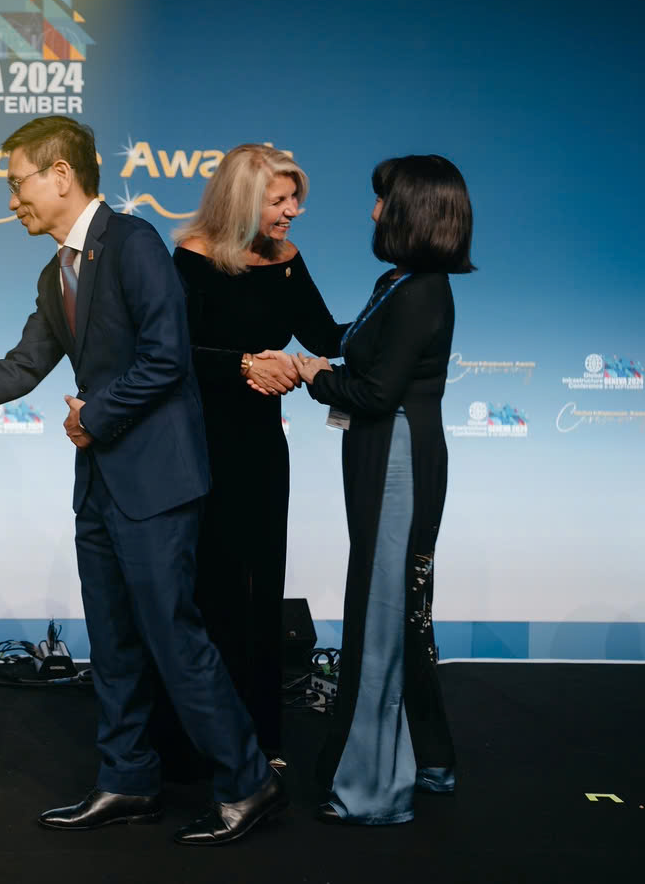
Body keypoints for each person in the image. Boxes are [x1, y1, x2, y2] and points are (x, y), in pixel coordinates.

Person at [0, 116, 284, 845]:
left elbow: (166, 357)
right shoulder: (55, 275)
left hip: (157, 482)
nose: (12, 199)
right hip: (101, 484)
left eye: (18, 183)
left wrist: (95, 414)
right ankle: (127, 778)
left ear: (61, 175)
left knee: (173, 635)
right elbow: (21, 367)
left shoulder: (133, 243)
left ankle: (248, 780)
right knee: (112, 641)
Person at [291, 154, 474, 825]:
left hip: (398, 456)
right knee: (396, 609)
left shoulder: (423, 290)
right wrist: (288, 273)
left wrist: (310, 375)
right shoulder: (396, 282)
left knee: (382, 610)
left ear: (414, 212)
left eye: (383, 201)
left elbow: (372, 392)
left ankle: (372, 790)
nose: (372, 212)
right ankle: (429, 758)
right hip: (382, 451)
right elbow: (345, 341)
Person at [168, 144, 346, 764]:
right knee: (209, 584)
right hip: (200, 441)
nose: (293, 210)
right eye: (280, 200)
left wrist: (398, 309)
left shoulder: (286, 259)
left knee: (262, 582)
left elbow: (327, 335)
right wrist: (244, 364)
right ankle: (202, 738)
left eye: (295, 198)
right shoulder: (192, 258)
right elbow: (172, 355)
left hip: (263, 445)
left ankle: (261, 737)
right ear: (243, 201)